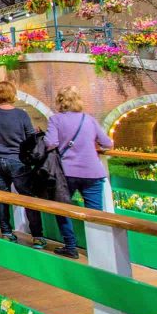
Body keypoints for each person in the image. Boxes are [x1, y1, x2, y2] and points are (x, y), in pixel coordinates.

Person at [45, 86, 115, 259]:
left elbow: (50, 142)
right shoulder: (89, 120)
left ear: (60, 101)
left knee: (62, 208)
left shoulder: (56, 120)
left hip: (67, 172)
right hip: (92, 171)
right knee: (94, 212)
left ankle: (70, 245)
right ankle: (98, 250)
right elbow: (107, 143)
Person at [0, 81, 44, 247]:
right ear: (13, 94)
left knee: (2, 197)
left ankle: (6, 232)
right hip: (17, 160)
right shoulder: (21, 115)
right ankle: (37, 236)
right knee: (28, 197)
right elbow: (30, 137)